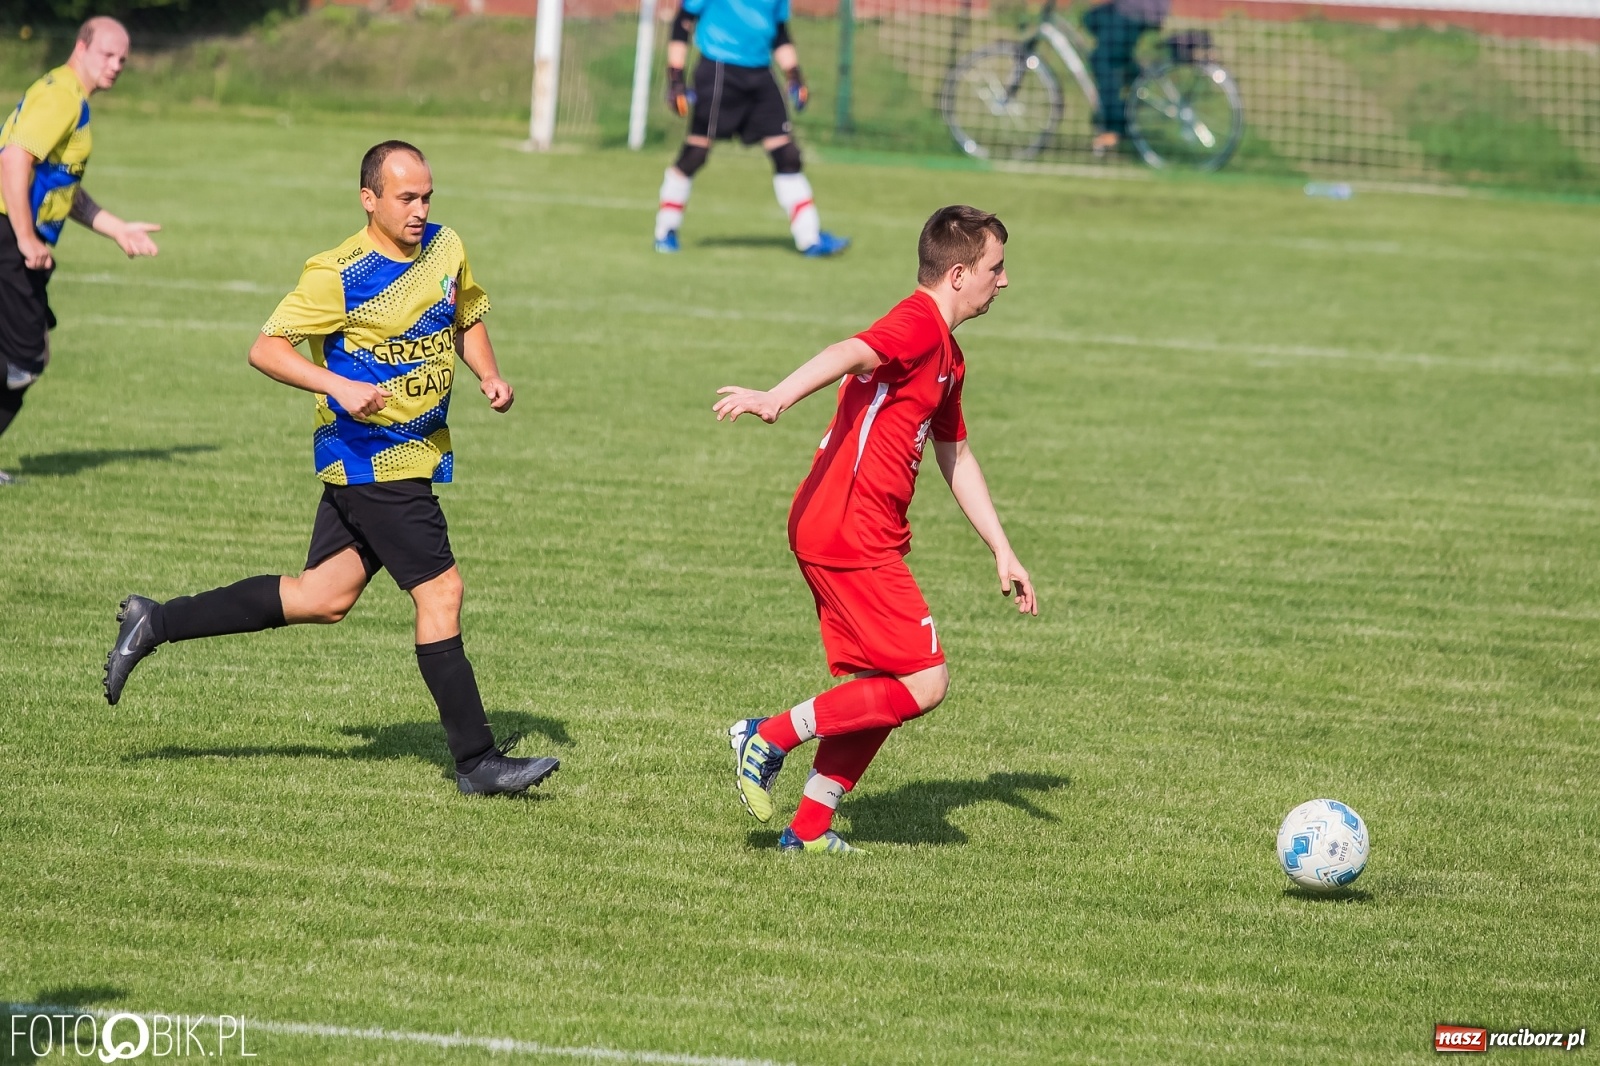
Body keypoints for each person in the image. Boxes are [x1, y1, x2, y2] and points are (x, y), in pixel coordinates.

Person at [103, 141, 558, 798]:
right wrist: (337, 385)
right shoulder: (337, 273)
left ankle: (156, 621)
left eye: (427, 196)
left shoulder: (445, 247)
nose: (420, 210)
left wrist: (488, 374)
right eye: (406, 197)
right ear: (369, 199)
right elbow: (266, 349)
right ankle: (477, 761)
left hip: (409, 455)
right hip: (376, 458)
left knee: (322, 597)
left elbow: (462, 316)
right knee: (441, 593)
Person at [711, 205, 1037, 853]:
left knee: (885, 687)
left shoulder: (950, 356)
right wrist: (776, 398)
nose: (1003, 281)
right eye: (995, 268)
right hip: (848, 528)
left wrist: (1002, 549)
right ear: (959, 274)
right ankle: (767, 735)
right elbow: (848, 351)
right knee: (926, 682)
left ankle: (809, 829)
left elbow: (956, 454)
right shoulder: (917, 323)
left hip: (856, 528)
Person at [0, 16, 160, 485]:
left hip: (15, 237)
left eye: (123, 59)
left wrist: (115, 228)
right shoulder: (62, 98)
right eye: (107, 54)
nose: (116, 65)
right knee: (25, 357)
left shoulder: (70, 97)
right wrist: (25, 237)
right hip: (8, 236)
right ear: (81, 47)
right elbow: (13, 160)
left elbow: (60, 186)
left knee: (31, 353)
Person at [653, 0, 848, 256]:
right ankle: (665, 230)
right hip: (718, 69)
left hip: (760, 74)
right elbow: (683, 22)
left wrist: (794, 75)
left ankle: (810, 238)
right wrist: (675, 79)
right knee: (695, 154)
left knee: (787, 155)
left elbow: (779, 32)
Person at [1083, 0, 1169, 155]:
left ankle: (1113, 128)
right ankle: (1133, 77)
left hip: (1137, 10)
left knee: (1103, 60)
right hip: (1130, 8)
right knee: (1091, 19)